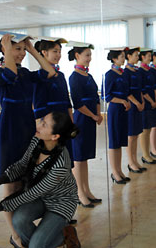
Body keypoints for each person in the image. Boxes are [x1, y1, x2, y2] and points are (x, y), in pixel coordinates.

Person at [0, 33, 55, 244]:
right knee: (11, 182)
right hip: (10, 129)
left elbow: (49, 71)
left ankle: (22, 225)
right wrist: (8, 47)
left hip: (28, 127)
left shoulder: (26, 73)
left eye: (22, 49)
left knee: (27, 179)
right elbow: (9, 75)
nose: (22, 53)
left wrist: (33, 49)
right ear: (4, 50)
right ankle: (15, 234)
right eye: (17, 49)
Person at [0, 112, 79, 248]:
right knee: (19, 220)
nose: (39, 124)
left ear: (55, 136)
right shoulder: (37, 141)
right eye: (42, 120)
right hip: (43, 198)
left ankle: (64, 234)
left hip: (62, 203)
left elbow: (32, 193)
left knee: (35, 245)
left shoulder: (61, 163)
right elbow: (21, 166)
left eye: (44, 125)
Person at [68, 41, 102, 207]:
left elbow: (96, 96)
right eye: (87, 55)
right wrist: (93, 116)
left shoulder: (89, 76)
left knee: (85, 158)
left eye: (90, 55)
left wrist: (98, 113)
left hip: (91, 119)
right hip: (81, 119)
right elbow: (78, 103)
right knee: (78, 158)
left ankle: (87, 190)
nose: (89, 58)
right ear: (77, 56)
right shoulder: (74, 77)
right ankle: (79, 193)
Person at [33, 38, 74, 164]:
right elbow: (38, 107)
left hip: (63, 123)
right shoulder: (39, 77)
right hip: (50, 127)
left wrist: (71, 123)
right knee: (51, 164)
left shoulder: (60, 75)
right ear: (44, 53)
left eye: (59, 51)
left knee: (65, 161)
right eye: (55, 51)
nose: (58, 55)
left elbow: (67, 102)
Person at [104, 47, 131, 184]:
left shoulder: (123, 74)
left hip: (123, 109)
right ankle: (114, 172)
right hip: (115, 109)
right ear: (114, 58)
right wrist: (122, 101)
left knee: (120, 141)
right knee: (114, 141)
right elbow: (107, 96)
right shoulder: (109, 74)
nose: (123, 58)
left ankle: (119, 170)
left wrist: (127, 101)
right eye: (121, 56)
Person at [123, 47, 147, 173]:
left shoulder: (137, 72)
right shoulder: (125, 72)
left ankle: (135, 160)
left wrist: (142, 101)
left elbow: (140, 89)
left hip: (139, 105)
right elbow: (127, 92)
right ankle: (130, 162)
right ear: (129, 56)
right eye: (136, 55)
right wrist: (137, 103)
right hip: (132, 107)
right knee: (131, 136)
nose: (138, 57)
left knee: (136, 134)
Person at [137, 48, 156, 165]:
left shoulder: (149, 71)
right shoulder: (140, 71)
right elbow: (143, 90)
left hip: (151, 103)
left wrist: (154, 99)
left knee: (149, 128)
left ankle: (148, 152)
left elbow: (152, 88)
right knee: (145, 130)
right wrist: (151, 101)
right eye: (148, 56)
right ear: (142, 57)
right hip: (146, 103)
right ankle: (145, 154)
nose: (150, 58)